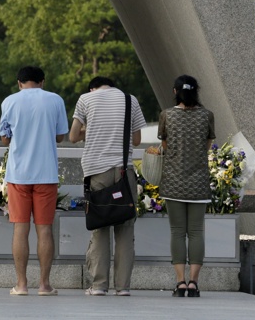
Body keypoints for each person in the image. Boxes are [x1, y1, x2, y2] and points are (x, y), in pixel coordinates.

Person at [69, 76, 145, 297]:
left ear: (92, 88)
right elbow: (137, 139)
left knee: (100, 228)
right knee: (125, 227)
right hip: (124, 171)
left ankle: (100, 285)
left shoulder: (86, 99)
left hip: (97, 171)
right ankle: (123, 287)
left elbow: (73, 136)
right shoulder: (131, 100)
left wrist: (89, 130)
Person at [0, 66, 69, 297]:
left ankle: (21, 285)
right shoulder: (55, 100)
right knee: (45, 230)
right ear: (43, 81)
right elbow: (60, 136)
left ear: (19, 83)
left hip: (18, 174)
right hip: (46, 174)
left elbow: (5, 138)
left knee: (20, 228)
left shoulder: (9, 102)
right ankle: (44, 285)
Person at [158, 74, 215, 298]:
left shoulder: (166, 115)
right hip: (199, 183)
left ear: (175, 92)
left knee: (177, 232)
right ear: (196, 91)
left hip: (173, 183)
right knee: (197, 232)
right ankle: (194, 283)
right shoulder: (207, 116)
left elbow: (164, 145)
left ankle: (180, 282)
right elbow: (207, 145)